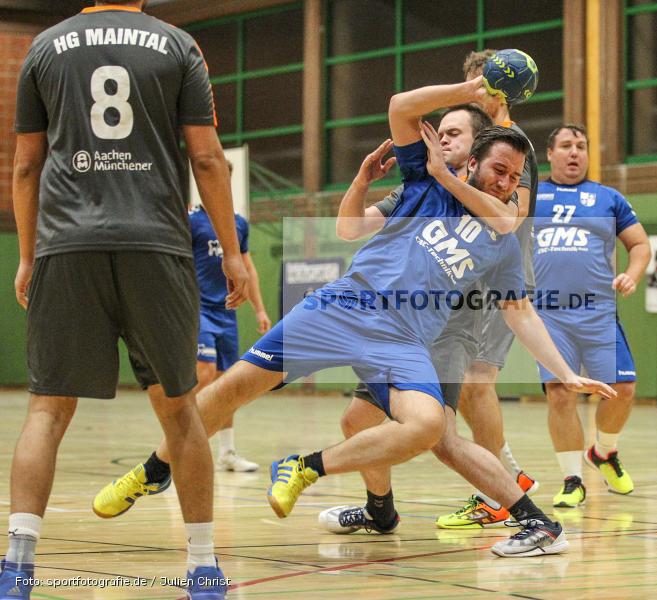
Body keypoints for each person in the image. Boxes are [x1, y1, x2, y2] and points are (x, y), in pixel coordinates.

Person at [92, 76, 616, 558]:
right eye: (498, 170)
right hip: (342, 307)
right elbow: (399, 108)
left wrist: (565, 371)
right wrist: (470, 88)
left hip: (405, 335)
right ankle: (152, 470)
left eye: (515, 177)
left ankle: (305, 467)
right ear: (472, 162)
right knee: (232, 390)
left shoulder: (501, 236)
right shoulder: (425, 185)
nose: (506, 183)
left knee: (431, 425)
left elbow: (520, 311)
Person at [1, 2, 248, 599]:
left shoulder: (44, 47)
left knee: (46, 412)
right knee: (181, 411)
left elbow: (27, 164)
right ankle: (203, 567)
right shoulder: (176, 45)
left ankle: (16, 564)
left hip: (67, 245)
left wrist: (30, 254)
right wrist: (233, 250)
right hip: (155, 245)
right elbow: (208, 157)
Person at [325, 103, 538, 535]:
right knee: (355, 422)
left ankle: (532, 517)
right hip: (400, 330)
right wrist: (361, 182)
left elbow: (508, 220)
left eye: (454, 133)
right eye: (439, 131)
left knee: (442, 437)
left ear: (476, 150)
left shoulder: (496, 197)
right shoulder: (419, 189)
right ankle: (379, 510)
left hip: (449, 330)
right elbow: (350, 228)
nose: (442, 138)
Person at [436, 49, 542, 526]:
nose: (479, 92)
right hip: (472, 279)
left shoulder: (513, 143)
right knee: (468, 389)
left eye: (487, 82)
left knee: (477, 385)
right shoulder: (475, 144)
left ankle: (503, 495)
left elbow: (511, 217)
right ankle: (511, 480)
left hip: (503, 281)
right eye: (475, 83)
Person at [532, 124, 650, 507]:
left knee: (624, 389)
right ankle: (571, 480)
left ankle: (604, 451)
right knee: (561, 395)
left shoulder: (607, 198)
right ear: (549, 153)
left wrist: (631, 275)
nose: (574, 153)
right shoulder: (530, 196)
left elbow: (640, 244)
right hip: (549, 314)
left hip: (597, 310)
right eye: (566, 146)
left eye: (581, 146)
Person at [191, 162, 272, 473]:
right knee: (205, 372)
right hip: (199, 309)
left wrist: (260, 309)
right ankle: (182, 446)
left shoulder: (237, 224)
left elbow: (248, 269)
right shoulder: (192, 221)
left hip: (227, 312)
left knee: (227, 382)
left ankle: (227, 452)